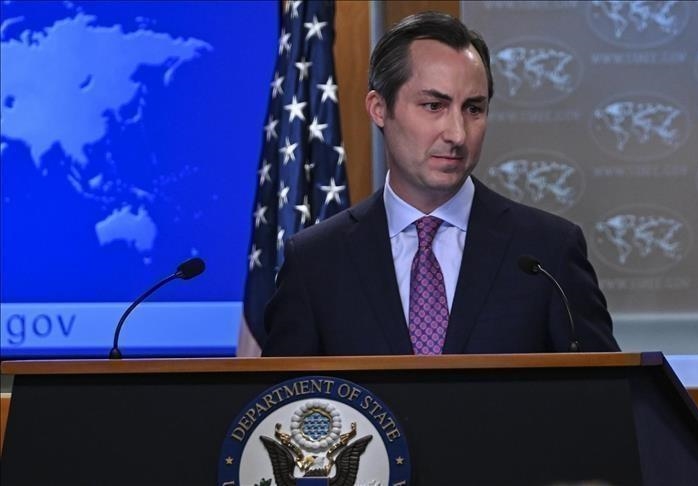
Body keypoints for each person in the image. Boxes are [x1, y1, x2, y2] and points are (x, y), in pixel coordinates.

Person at [262, 11, 619, 356]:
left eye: (473, 109)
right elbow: (283, 396)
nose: (457, 134)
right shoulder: (316, 262)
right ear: (379, 108)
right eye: (434, 105)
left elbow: (605, 390)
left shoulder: (547, 252)